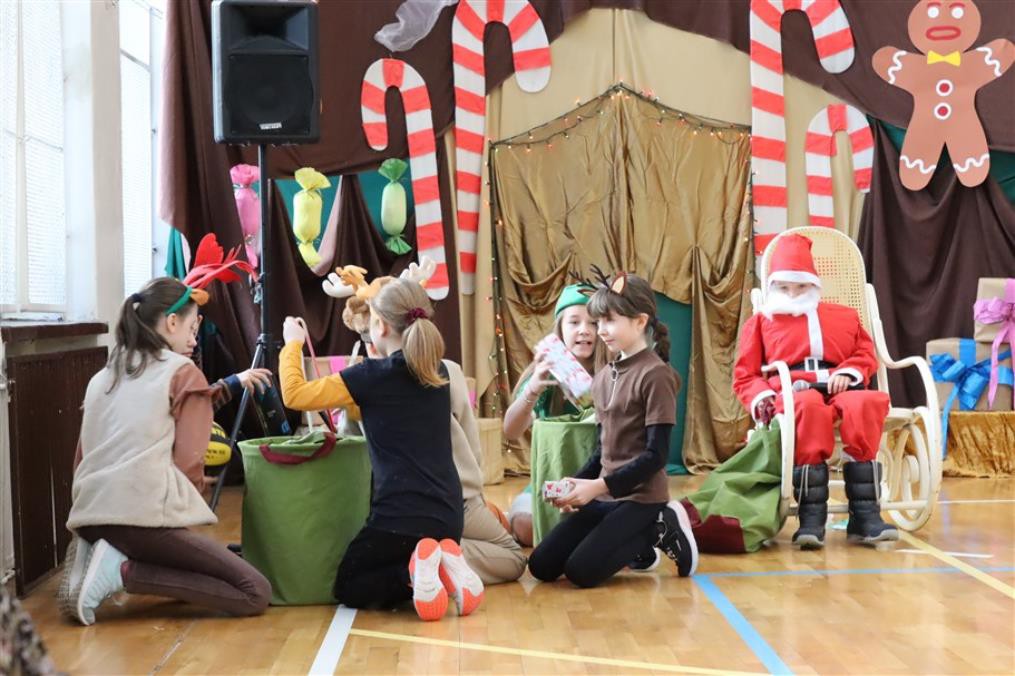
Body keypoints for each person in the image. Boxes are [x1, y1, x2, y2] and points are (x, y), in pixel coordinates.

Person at [59, 274, 273, 626]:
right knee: (254, 591)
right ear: (172, 322)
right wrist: (194, 492)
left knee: (195, 568)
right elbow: (190, 461)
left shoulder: (105, 375)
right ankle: (121, 572)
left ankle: (97, 555)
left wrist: (233, 383)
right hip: (139, 521)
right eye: (192, 329)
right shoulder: (182, 370)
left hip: (88, 517)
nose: (193, 340)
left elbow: (82, 456)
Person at [279, 278, 485, 621]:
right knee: (394, 558)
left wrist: (292, 344)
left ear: (381, 326)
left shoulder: (369, 376)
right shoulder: (438, 372)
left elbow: (294, 395)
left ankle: (415, 573)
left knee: (351, 584)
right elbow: (395, 413)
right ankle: (441, 566)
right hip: (450, 517)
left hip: (400, 520)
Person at [329, 263, 526, 585]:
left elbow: (349, 447)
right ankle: (440, 558)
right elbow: (470, 441)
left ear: (377, 330)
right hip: (457, 500)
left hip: (398, 510)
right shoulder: (446, 370)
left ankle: (422, 557)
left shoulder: (359, 381)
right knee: (513, 558)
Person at [527, 274, 698, 588]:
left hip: (642, 498)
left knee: (581, 571)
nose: (600, 330)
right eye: (598, 321)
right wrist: (576, 484)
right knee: (541, 565)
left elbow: (656, 456)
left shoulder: (656, 376)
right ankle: (636, 543)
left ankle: (658, 528)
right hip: (607, 495)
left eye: (609, 321)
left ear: (639, 321)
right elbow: (602, 449)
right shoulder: (605, 377)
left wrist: (597, 486)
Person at [733, 233, 896, 549]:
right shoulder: (760, 323)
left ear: (813, 285)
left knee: (864, 402)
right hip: (793, 390)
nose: (793, 294)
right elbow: (745, 375)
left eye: (800, 286)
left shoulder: (844, 316)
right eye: (784, 287)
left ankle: (865, 515)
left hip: (840, 384)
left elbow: (865, 353)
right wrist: (763, 399)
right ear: (773, 286)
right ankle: (811, 517)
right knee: (807, 407)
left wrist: (848, 372)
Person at [501, 284, 606, 548]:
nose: (584, 329)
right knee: (526, 526)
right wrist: (533, 390)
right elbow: (511, 430)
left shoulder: (613, 372)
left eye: (593, 323)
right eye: (574, 322)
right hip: (553, 483)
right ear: (560, 329)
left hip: (598, 484)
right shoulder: (546, 374)